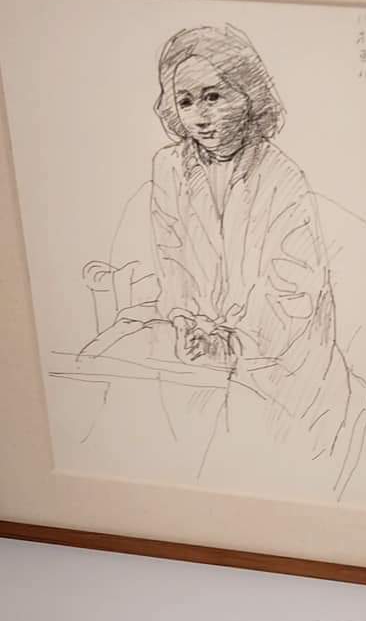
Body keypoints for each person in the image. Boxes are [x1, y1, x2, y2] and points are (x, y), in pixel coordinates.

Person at [80, 24, 350, 493]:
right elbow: (173, 259)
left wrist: (234, 342)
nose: (200, 117)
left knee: (250, 472)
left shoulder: (283, 177)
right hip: (198, 350)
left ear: (248, 95)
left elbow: (294, 291)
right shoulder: (168, 167)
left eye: (213, 96)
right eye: (185, 101)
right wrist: (184, 317)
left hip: (282, 362)